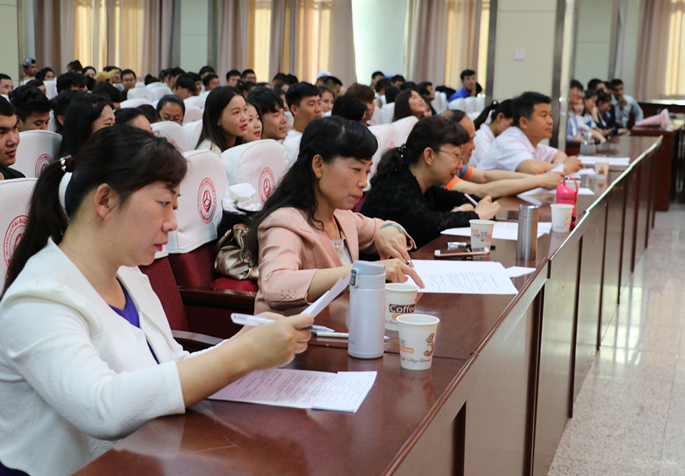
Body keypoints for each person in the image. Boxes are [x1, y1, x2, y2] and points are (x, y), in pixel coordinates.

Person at [0, 126, 311, 476]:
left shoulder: (127, 274)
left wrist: (247, 341)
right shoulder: (38, 298)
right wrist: (243, 354)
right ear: (105, 200)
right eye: (164, 203)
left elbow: (170, 363)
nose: (172, 222)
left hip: (133, 469)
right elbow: (102, 407)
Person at [244, 116, 424, 314]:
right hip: (292, 331)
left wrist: (388, 230)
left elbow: (384, 226)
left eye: (367, 171)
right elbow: (275, 285)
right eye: (356, 169)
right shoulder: (284, 223)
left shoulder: (341, 216)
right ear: (318, 165)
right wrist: (361, 271)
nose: (364, 182)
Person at [361, 117, 500, 248]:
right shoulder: (393, 190)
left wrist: (466, 209)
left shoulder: (426, 189)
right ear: (429, 155)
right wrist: (475, 215)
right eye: (456, 156)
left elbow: (469, 200)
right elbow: (428, 224)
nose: (459, 165)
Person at [439, 110, 564, 199]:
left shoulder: (457, 164)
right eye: (543, 115)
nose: (473, 146)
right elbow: (482, 190)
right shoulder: (442, 168)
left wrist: (540, 179)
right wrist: (540, 180)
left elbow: (484, 176)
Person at [478, 92, 582, 174]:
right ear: (523, 122)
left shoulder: (532, 143)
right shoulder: (508, 141)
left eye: (550, 115)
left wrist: (559, 166)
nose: (550, 121)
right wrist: (563, 167)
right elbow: (532, 169)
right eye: (544, 115)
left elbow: (559, 154)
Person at [196, 86, 247, 155]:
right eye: (236, 112)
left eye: (245, 109)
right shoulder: (209, 152)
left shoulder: (241, 143)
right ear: (216, 119)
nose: (244, 118)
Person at [470, 99, 513, 168]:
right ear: (500, 117)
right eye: (512, 125)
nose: (513, 130)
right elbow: (487, 171)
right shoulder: (482, 140)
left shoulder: (496, 138)